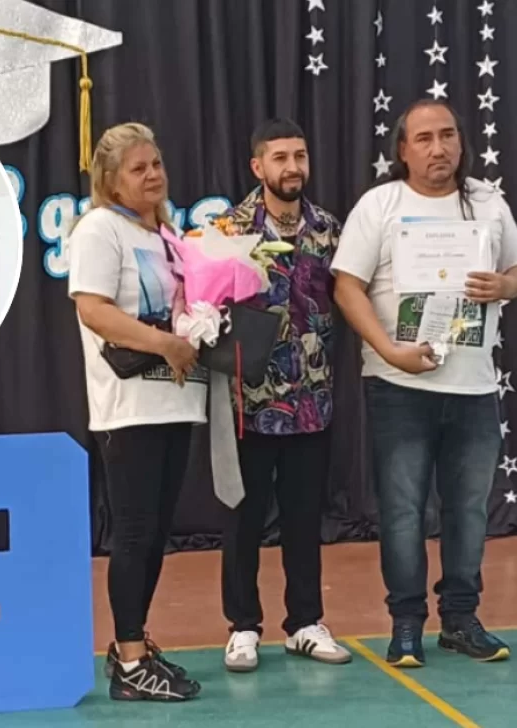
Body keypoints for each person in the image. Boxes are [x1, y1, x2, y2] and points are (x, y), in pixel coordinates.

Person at [332, 98, 516, 667]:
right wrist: (389, 350)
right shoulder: (380, 205)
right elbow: (346, 286)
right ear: (403, 150)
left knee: (469, 510)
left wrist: (505, 288)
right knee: (404, 511)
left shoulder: (488, 202)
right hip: (398, 385)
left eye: (448, 135)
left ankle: (460, 619)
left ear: (461, 141)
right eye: (425, 139)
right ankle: (406, 623)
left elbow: (514, 270)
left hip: (474, 387)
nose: (439, 148)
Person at [68, 122, 208, 701]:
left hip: (177, 399)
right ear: (110, 180)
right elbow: (93, 309)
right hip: (128, 408)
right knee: (133, 533)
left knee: (154, 537)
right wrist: (165, 344)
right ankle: (129, 662)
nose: (153, 175)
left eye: (156, 164)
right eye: (138, 168)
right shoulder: (100, 229)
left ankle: (135, 641)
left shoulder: (167, 233)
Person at [213, 118, 351, 671]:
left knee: (303, 518)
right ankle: (243, 626)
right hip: (248, 402)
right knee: (243, 521)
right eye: (280, 157)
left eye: (300, 155)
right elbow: (208, 309)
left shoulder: (329, 229)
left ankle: (306, 623)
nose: (292, 167)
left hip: (312, 400)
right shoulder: (229, 229)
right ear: (257, 166)